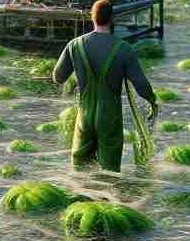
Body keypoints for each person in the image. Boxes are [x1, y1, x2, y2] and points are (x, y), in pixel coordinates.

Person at [51, 1, 157, 172]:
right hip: (109, 119)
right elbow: (142, 86)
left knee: (79, 169)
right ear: (112, 19)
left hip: (84, 117)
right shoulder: (124, 49)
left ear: (92, 17)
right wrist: (153, 101)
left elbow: (58, 77)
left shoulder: (75, 45)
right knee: (110, 172)